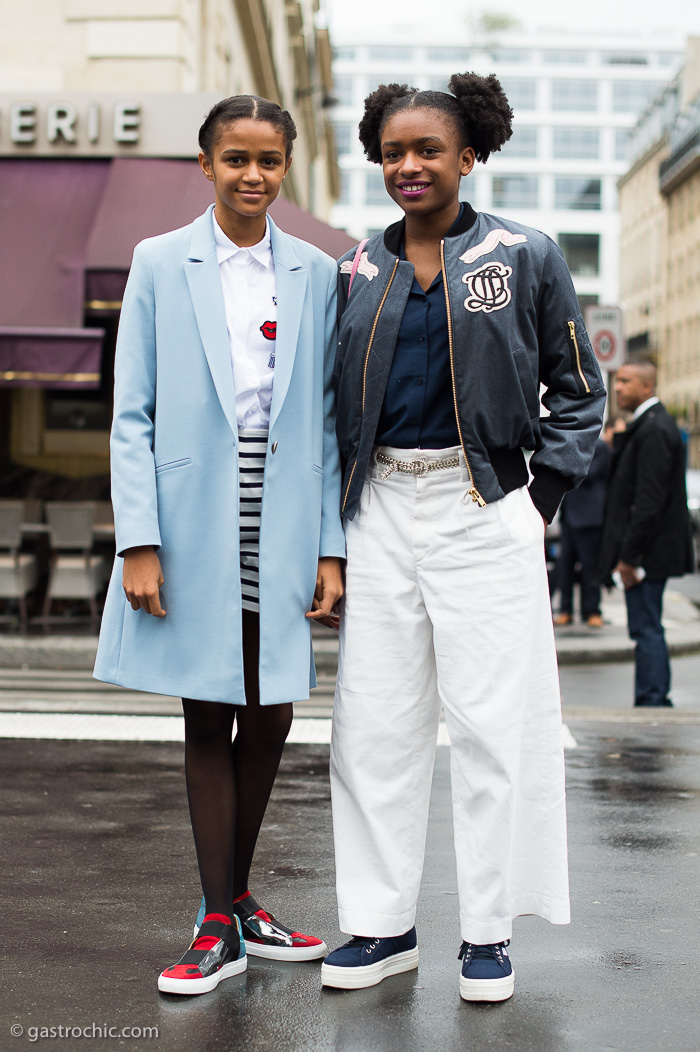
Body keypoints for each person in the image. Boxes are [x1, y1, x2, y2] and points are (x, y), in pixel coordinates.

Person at [322, 74, 606, 1003]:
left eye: (428, 150)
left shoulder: (525, 254)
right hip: (381, 510)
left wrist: (540, 498)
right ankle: (381, 925)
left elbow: (579, 388)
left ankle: (486, 935)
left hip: (484, 505)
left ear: (467, 155)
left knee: (492, 728)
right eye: (394, 151)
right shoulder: (358, 268)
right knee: (373, 726)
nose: (409, 165)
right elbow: (331, 406)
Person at [93, 95, 346, 995]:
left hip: (282, 507)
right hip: (192, 508)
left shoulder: (319, 271)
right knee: (208, 704)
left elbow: (323, 416)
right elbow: (132, 411)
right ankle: (217, 919)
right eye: (234, 159)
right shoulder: (160, 260)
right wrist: (140, 541)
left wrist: (329, 548)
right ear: (205, 165)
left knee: (272, 703)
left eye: (268, 161)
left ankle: (234, 902)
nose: (252, 175)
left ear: (286, 167)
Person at [597, 361, 694, 707]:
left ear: (647, 387)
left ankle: (652, 699)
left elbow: (648, 500)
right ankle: (652, 696)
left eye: (626, 381)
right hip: (650, 551)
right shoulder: (650, 425)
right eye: (618, 381)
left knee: (646, 628)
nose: (618, 387)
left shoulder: (653, 429)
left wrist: (629, 557)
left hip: (647, 554)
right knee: (647, 626)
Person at [553, 437, 610, 628]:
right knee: (565, 566)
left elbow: (589, 474)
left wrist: (567, 465)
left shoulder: (600, 447)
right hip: (569, 517)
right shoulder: (570, 443)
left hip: (589, 518)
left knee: (590, 568)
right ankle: (566, 610)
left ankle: (592, 611)